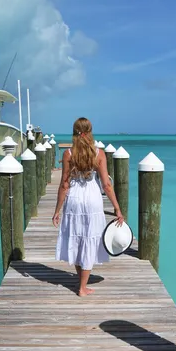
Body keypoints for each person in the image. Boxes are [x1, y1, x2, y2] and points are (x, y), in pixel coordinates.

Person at [53, 117, 124, 297]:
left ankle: (81, 283)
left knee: (76, 237)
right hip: (92, 198)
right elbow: (107, 185)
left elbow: (64, 185)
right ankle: (82, 288)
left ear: (74, 132)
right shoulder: (99, 153)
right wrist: (117, 208)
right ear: (90, 131)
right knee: (89, 239)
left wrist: (57, 210)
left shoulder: (68, 154)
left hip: (74, 199)